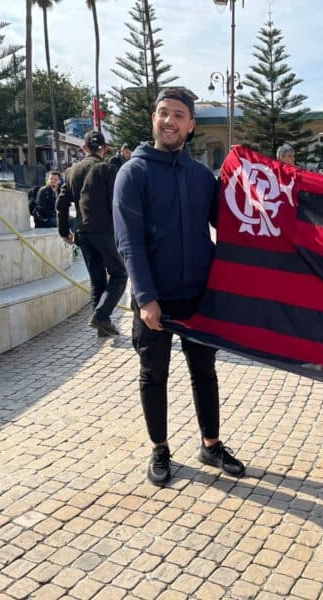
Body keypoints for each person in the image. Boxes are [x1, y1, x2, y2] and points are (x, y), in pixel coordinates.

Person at [113, 87, 246, 486]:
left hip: (197, 296)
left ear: (190, 126)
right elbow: (128, 242)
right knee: (154, 375)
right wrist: (145, 298)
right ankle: (160, 448)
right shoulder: (132, 173)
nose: (168, 120)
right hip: (155, 300)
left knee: (204, 372)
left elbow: (231, 225)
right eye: (162, 113)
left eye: (177, 115)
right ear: (153, 119)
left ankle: (211, 443)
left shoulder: (202, 176)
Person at [56, 130, 127, 338]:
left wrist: (64, 232)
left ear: (84, 148)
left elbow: (61, 204)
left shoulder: (71, 172)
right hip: (103, 231)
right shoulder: (108, 169)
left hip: (82, 233)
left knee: (97, 279)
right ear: (104, 149)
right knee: (120, 274)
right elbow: (115, 204)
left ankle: (102, 326)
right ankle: (101, 315)